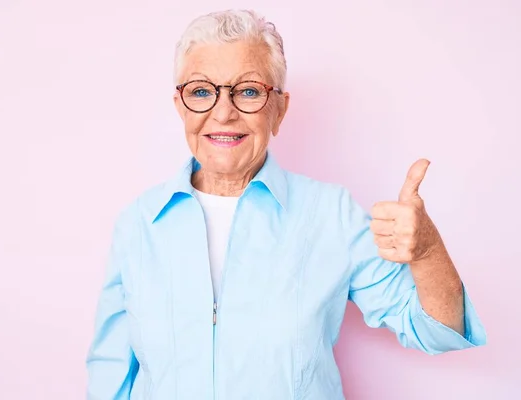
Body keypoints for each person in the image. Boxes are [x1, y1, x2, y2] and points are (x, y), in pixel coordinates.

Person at [85, 9, 486, 400]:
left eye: (248, 91)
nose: (223, 113)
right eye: (202, 91)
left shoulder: (332, 215)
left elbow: (439, 330)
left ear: (278, 109)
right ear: (181, 107)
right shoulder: (137, 224)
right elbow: (109, 377)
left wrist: (429, 252)